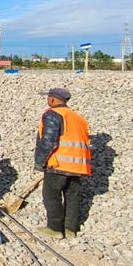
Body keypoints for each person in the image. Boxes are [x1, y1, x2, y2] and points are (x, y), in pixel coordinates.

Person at [34, 88, 90, 239]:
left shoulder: (53, 114)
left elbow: (48, 141)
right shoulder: (78, 118)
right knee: (72, 197)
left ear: (52, 100)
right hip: (78, 166)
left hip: (58, 164)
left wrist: (40, 162)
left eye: (48, 98)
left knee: (51, 196)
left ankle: (54, 228)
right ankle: (71, 229)